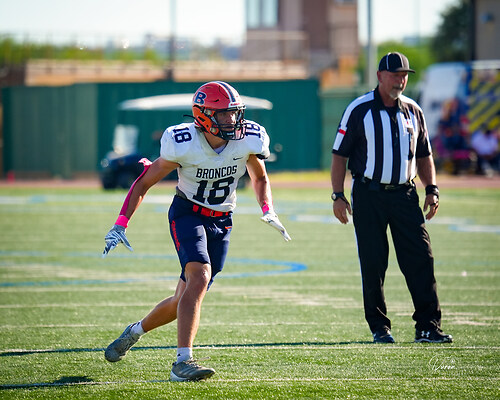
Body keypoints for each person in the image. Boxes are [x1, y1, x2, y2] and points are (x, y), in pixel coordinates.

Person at [102, 81, 291, 382]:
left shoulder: (248, 139)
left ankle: (134, 331)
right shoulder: (183, 141)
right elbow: (144, 181)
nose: (232, 120)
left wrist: (268, 208)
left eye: (234, 113)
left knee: (183, 299)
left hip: (223, 220)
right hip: (188, 213)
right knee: (200, 277)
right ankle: (182, 362)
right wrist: (121, 222)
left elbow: (259, 177)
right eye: (224, 114)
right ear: (203, 115)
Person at [330, 52, 452, 344]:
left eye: (404, 75)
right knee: (374, 262)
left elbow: (424, 154)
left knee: (421, 258)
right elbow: (339, 155)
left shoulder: (413, 110)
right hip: (369, 193)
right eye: (395, 75)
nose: (401, 80)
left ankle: (428, 326)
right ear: (380, 76)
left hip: (405, 195)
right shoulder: (359, 109)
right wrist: (338, 195)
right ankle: (379, 327)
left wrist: (432, 189)